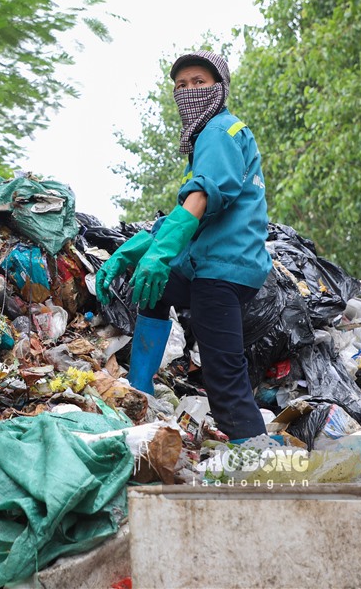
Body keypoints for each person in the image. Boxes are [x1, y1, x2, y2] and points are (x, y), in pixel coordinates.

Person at [95, 50, 271, 441]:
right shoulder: (211, 138)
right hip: (207, 263)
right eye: (181, 85)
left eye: (199, 83)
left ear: (219, 89)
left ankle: (258, 462)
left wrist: (158, 252)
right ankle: (139, 391)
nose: (189, 91)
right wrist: (132, 251)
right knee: (155, 290)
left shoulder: (218, 132)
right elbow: (184, 214)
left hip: (223, 269)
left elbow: (204, 197)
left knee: (222, 372)